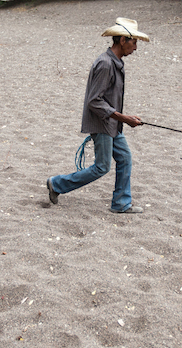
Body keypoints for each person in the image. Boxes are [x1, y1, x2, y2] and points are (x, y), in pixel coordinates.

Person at [46, 18, 149, 213]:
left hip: (113, 124)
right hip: (102, 125)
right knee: (101, 167)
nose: (136, 47)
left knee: (125, 158)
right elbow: (94, 101)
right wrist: (124, 118)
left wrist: (124, 118)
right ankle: (56, 184)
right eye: (133, 42)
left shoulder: (117, 62)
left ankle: (121, 203)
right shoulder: (105, 64)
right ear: (122, 41)